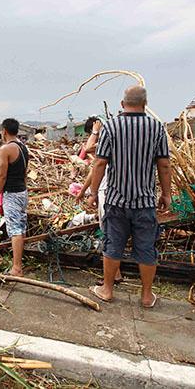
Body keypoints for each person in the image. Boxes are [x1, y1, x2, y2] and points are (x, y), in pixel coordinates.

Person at [88, 85, 171, 308]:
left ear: (123, 104)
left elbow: (100, 162)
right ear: (145, 104)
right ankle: (146, 296)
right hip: (144, 202)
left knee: (113, 245)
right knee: (146, 248)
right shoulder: (156, 128)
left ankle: (107, 290)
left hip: (116, 200)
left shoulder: (111, 126)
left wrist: (93, 193)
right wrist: (167, 194)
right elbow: (164, 164)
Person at [77, 116, 123, 284]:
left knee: (109, 233)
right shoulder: (112, 142)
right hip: (110, 192)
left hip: (108, 192)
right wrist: (83, 191)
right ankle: (115, 273)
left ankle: (112, 277)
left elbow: (88, 148)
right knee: (111, 232)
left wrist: (96, 131)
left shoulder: (108, 140)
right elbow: (95, 169)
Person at [0, 118, 29, 277]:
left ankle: (17, 268)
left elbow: (2, 176)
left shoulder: (6, 149)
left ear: (4, 131)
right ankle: (20, 261)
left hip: (12, 194)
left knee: (15, 230)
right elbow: (25, 172)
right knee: (21, 227)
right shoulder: (23, 147)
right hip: (22, 192)